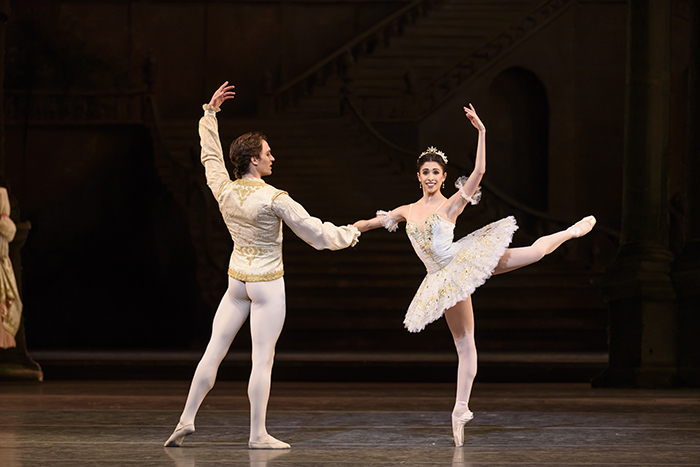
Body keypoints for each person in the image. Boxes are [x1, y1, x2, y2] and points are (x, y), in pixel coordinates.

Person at [352, 104, 595, 447]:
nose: (432, 177)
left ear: (443, 176)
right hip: (439, 277)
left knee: (532, 255)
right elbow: (371, 222)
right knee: (463, 345)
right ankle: (460, 411)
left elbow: (480, 171)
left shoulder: (450, 205)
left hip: (462, 264)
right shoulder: (406, 211)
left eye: (437, 172)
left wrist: (481, 131)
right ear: (418, 176)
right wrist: (343, 232)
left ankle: (569, 233)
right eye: (427, 172)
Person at [165, 82, 360, 449]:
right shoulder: (275, 199)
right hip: (267, 284)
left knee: (214, 350)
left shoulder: (224, 189)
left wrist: (209, 115)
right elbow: (317, 234)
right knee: (262, 359)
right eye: (268, 153)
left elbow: (210, 159)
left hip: (237, 282)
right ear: (254, 159)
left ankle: (185, 418)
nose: (273, 157)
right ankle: (257, 434)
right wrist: (351, 233)